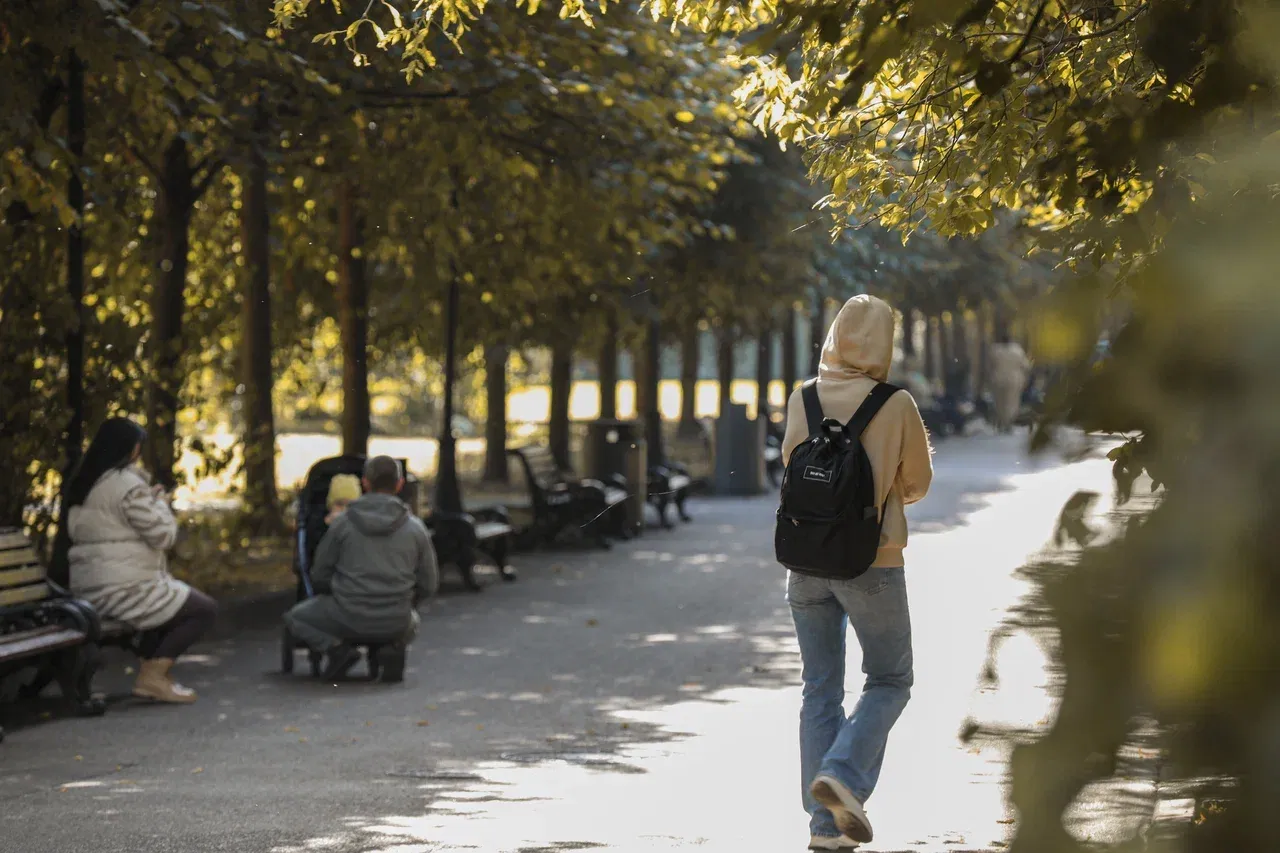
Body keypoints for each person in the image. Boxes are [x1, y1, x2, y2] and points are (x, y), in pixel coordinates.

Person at [779, 295, 934, 850]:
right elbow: (916, 483)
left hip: (805, 562)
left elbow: (792, 464)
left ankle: (825, 828)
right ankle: (842, 776)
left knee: (819, 688)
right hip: (872, 561)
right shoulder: (896, 404)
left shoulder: (805, 397)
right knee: (891, 679)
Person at [61, 417, 218, 704]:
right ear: (130, 449)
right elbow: (163, 536)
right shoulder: (126, 484)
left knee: (174, 607)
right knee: (202, 610)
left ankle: (156, 675)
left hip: (92, 587)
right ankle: (153, 677)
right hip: (124, 587)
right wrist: (159, 502)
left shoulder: (86, 481)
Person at [283, 455, 439, 679]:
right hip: (396, 618)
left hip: (346, 614)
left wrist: (337, 590)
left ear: (365, 483)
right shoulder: (416, 529)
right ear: (400, 484)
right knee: (413, 621)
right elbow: (429, 584)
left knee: (294, 618)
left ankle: (338, 649)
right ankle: (391, 648)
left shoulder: (342, 524)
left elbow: (320, 574)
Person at [987, 337, 1032, 433]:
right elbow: (1025, 365)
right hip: (1014, 380)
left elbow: (990, 366)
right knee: (1012, 402)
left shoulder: (995, 350)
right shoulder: (1017, 350)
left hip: (998, 379)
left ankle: (1002, 421)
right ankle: (1008, 422)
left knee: (1000, 402)